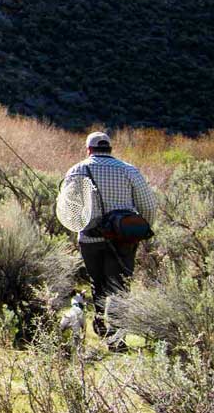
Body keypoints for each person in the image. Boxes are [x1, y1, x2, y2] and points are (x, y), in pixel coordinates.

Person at [55, 131, 158, 336]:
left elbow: (67, 209)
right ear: (110, 148)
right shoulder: (129, 170)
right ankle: (116, 337)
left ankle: (101, 323)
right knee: (119, 288)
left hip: (89, 239)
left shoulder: (77, 170)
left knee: (98, 282)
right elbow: (148, 206)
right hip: (123, 240)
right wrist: (138, 231)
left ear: (88, 149)